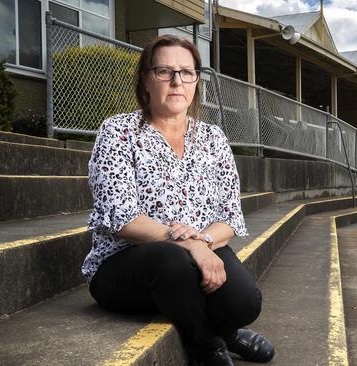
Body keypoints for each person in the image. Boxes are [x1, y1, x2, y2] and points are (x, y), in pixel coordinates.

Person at [81, 35, 274, 366]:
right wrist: (193, 247)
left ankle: (226, 328)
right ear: (145, 78)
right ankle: (210, 343)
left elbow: (230, 216)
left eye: (186, 72)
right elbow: (124, 220)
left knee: (245, 301)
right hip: (127, 266)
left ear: (196, 80)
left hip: (199, 253)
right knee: (173, 264)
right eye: (164, 71)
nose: (176, 81)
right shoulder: (118, 132)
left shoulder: (213, 138)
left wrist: (205, 241)